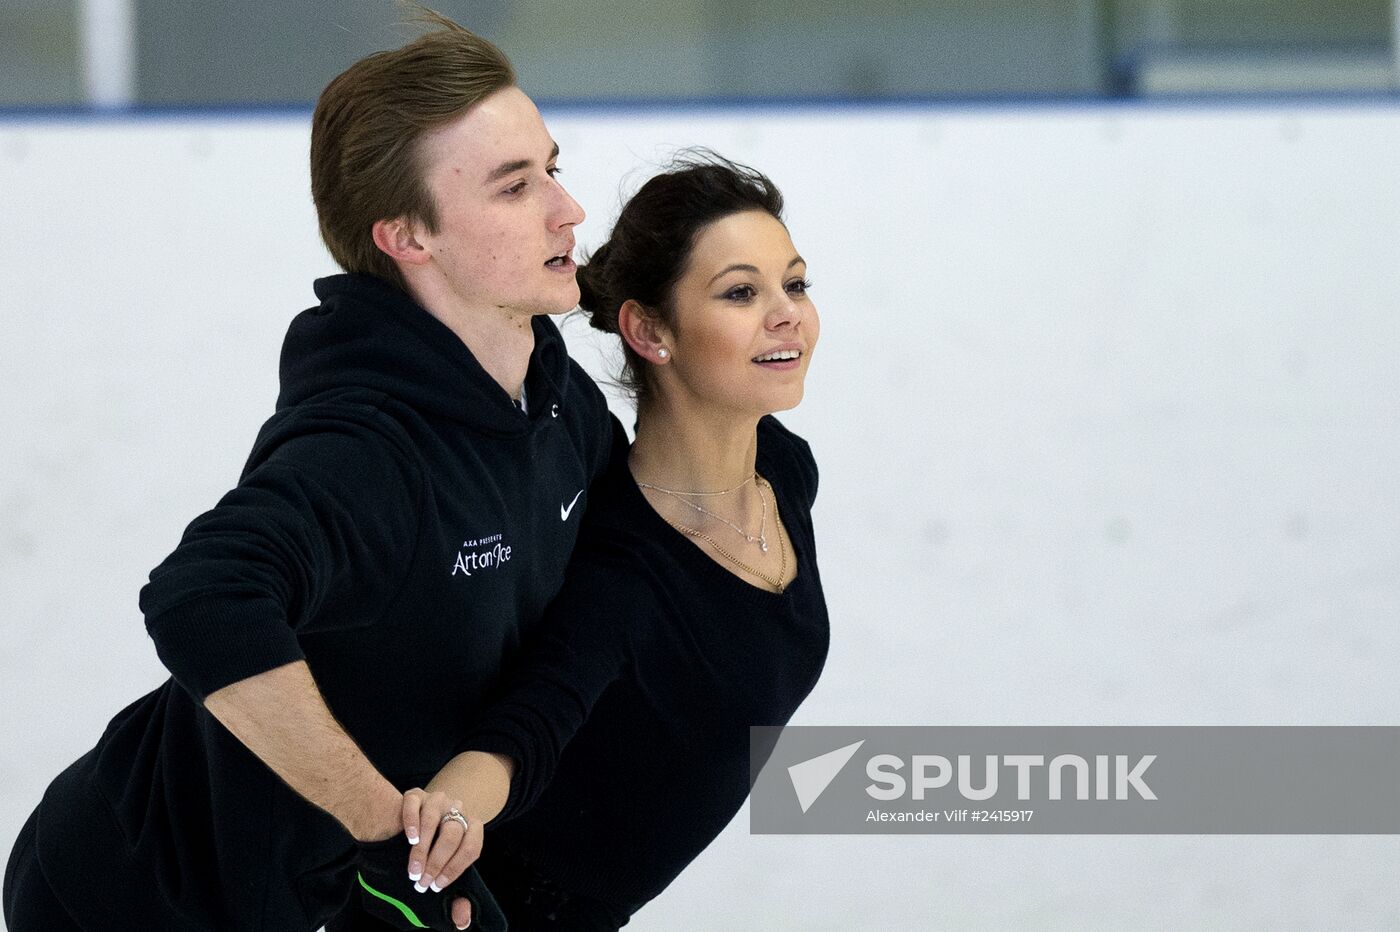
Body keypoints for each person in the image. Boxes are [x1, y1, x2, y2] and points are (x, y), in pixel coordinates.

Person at [2, 11, 614, 932]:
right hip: (133, 896)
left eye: (553, 169)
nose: (567, 209)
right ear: (408, 236)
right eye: (513, 186)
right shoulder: (367, 451)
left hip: (318, 896)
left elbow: (599, 606)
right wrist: (379, 825)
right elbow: (201, 597)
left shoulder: (559, 402)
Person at [337, 155, 830, 931]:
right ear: (648, 330)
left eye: (795, 284)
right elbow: (528, 724)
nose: (787, 315)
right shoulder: (621, 566)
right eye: (741, 292)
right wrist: (446, 815)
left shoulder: (785, 472)